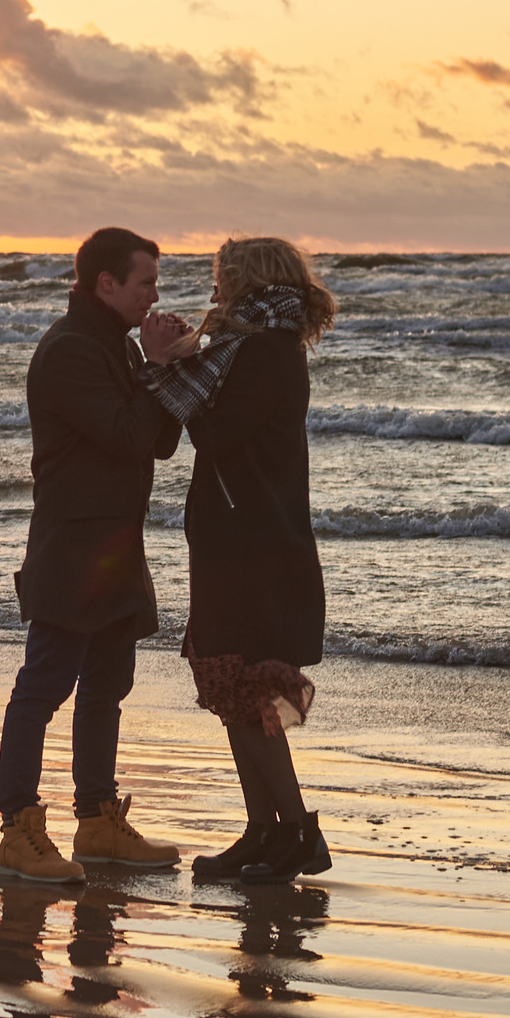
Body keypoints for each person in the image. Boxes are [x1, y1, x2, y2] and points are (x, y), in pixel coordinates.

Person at [0, 227, 195, 883]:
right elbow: (128, 434)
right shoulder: (69, 350)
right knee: (44, 686)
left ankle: (98, 820)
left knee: (107, 686)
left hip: (114, 545)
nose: (154, 296)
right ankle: (18, 829)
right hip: (72, 546)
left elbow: (159, 442)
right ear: (106, 283)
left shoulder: (115, 344)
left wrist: (167, 365)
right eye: (145, 283)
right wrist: (156, 367)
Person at [141, 236, 338, 882]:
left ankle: (298, 832)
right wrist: (182, 361)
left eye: (223, 276)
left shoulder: (266, 351)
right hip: (241, 541)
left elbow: (217, 432)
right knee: (234, 690)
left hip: (256, 549)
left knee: (252, 693)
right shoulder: (245, 347)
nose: (214, 288)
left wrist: (165, 367)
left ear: (250, 279)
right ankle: (263, 829)